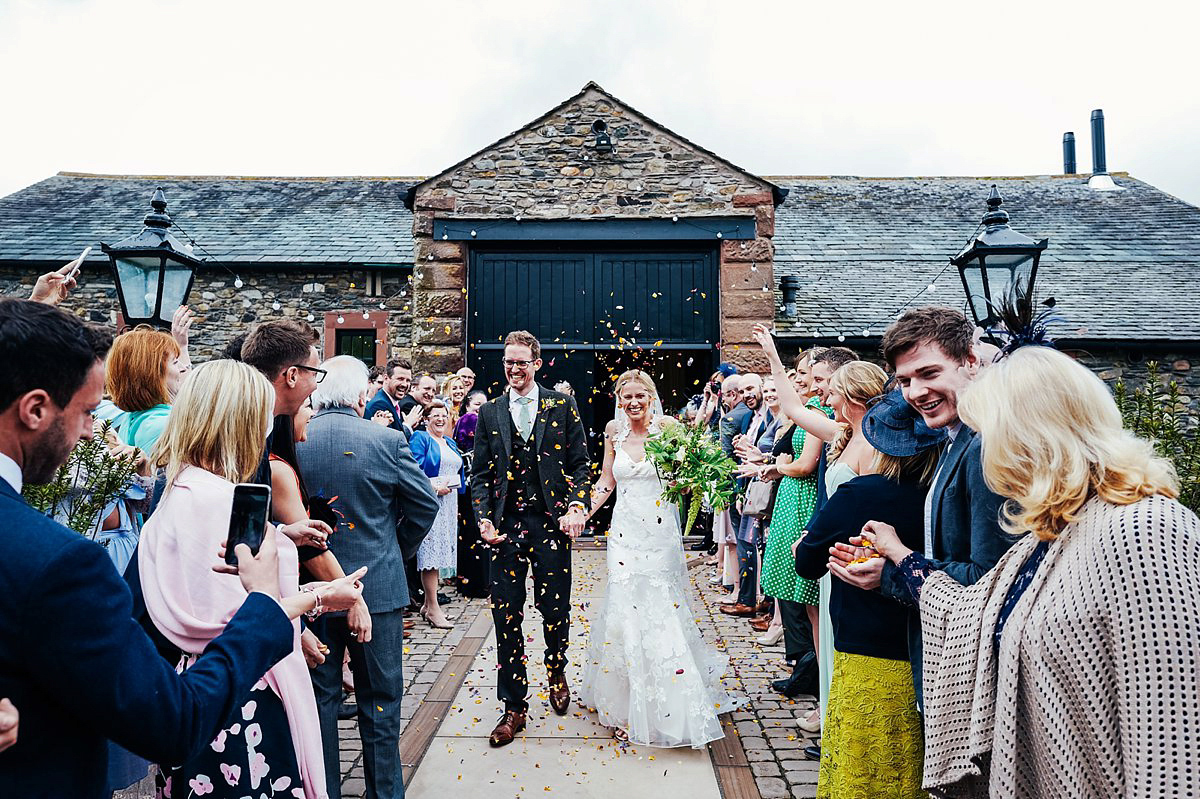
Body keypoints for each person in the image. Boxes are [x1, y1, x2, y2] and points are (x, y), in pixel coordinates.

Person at [861, 346, 1200, 799]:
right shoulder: (1052, 531)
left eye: (985, 436)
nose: (983, 454)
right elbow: (969, 611)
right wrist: (898, 562)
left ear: (1032, 434)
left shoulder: (1146, 529)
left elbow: (1171, 742)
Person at [0, 299, 295, 798]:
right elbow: (174, 722)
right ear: (34, 410)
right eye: (89, 413)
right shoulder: (59, 563)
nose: (93, 433)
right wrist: (266, 607)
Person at [140, 359, 367, 799]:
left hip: (204, 684)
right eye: (261, 416)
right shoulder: (218, 499)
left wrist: (280, 537)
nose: (267, 429)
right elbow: (242, 616)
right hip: (244, 699)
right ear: (240, 421)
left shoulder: (183, 486)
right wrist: (320, 599)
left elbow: (217, 583)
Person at [828, 306, 1009, 709]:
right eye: (905, 380)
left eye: (929, 374)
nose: (915, 393)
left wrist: (895, 564)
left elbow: (990, 579)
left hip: (974, 673)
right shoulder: (951, 439)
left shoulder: (984, 448)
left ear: (971, 361)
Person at [295, 355, 439, 799]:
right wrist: (395, 549)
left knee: (318, 702)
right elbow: (424, 506)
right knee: (380, 701)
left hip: (309, 591)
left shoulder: (293, 439)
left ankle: (323, 791)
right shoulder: (386, 440)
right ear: (362, 395)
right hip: (375, 587)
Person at [793, 383, 940, 798]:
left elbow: (807, 562)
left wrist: (806, 543)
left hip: (868, 648)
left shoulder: (862, 493)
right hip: (932, 651)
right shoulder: (938, 494)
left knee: (863, 763)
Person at [580, 370, 737, 746]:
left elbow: (685, 477)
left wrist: (691, 478)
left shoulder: (667, 428)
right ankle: (625, 702)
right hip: (623, 535)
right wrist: (580, 513)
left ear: (652, 397)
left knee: (659, 609)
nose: (633, 402)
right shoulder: (612, 432)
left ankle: (668, 702)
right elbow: (607, 480)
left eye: (640, 395)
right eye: (626, 396)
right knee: (623, 610)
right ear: (619, 399)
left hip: (658, 532)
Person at [471, 330, 590, 747]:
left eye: (522, 362)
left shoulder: (562, 404)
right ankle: (514, 705)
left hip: (550, 525)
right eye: (508, 362)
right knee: (506, 615)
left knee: (554, 608)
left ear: (537, 364)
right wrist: (484, 520)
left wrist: (576, 507)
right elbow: (481, 476)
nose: (514, 368)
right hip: (505, 529)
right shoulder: (490, 412)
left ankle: (556, 669)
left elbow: (580, 465)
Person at [409, 400, 465, 628]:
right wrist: (433, 487)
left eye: (444, 415)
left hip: (449, 503)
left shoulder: (449, 442)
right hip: (430, 502)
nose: (441, 419)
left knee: (441, 555)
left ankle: (427, 604)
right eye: (436, 415)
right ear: (426, 419)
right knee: (430, 557)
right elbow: (413, 469)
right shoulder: (420, 438)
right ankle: (433, 608)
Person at [106, 326, 190, 453]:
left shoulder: (132, 420)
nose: (183, 368)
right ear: (152, 374)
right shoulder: (164, 426)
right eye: (175, 362)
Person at [454, 389, 490, 598]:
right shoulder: (470, 419)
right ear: (468, 405)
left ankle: (473, 582)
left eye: (483, 404)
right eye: (477, 403)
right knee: (473, 533)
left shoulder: (471, 419)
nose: (480, 408)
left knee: (471, 534)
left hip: (470, 483)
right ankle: (476, 584)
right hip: (471, 483)